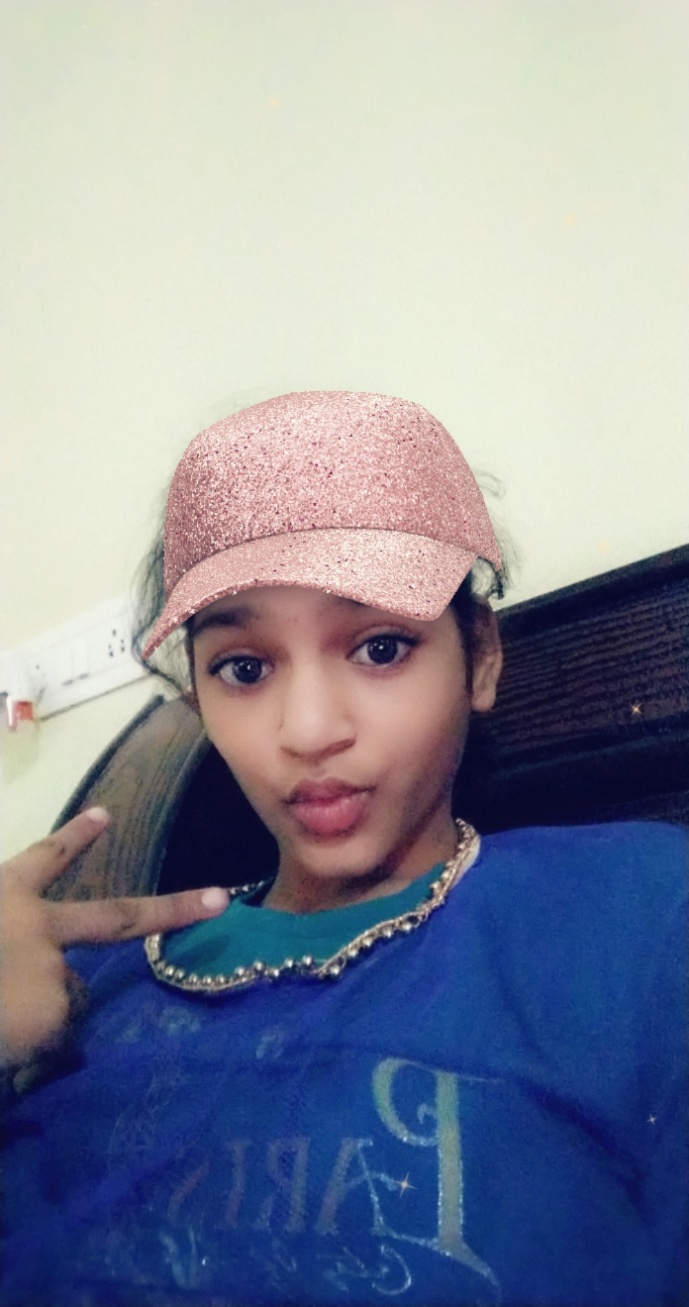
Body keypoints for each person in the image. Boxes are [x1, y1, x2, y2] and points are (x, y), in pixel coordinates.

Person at [1, 391, 686, 1307]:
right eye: (244, 668)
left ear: (479, 655)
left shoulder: (641, 915)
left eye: (380, 647)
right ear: (198, 696)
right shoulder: (72, 988)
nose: (309, 729)